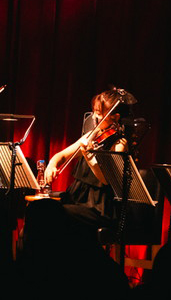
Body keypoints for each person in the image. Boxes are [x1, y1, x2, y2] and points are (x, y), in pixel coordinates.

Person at [43, 87, 140, 230]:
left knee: (54, 214)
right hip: (76, 197)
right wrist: (52, 165)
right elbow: (61, 156)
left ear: (115, 117)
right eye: (94, 111)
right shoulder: (93, 135)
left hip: (99, 207)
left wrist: (89, 157)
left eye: (99, 113)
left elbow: (106, 180)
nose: (94, 117)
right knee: (38, 208)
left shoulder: (119, 144)